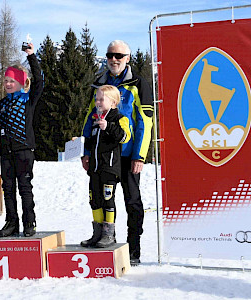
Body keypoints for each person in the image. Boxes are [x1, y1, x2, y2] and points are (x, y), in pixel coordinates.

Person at [82, 40, 153, 265]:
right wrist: (85, 151)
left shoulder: (139, 83)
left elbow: (145, 122)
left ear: (127, 58)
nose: (114, 59)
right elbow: (88, 119)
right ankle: (104, 239)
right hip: (103, 156)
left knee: (132, 201)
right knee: (102, 198)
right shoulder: (99, 83)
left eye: (119, 56)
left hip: (129, 154)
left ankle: (133, 249)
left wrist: (139, 155)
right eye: (110, 55)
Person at [0, 43, 43, 237]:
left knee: (25, 188)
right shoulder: (2, 104)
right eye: (5, 81)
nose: (8, 84)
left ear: (21, 82)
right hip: (6, 152)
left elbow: (40, 81)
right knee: (8, 188)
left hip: (24, 150)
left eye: (11, 80)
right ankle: (11, 222)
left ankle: (29, 222)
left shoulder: (28, 99)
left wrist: (31, 56)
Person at [80, 85, 130, 248]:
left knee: (108, 199)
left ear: (114, 102)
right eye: (96, 99)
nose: (98, 102)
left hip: (109, 168)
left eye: (102, 99)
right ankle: (97, 233)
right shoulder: (94, 119)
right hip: (94, 168)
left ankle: (109, 234)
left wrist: (108, 127)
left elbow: (124, 137)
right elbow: (89, 140)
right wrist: (83, 153)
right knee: (94, 200)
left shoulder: (119, 118)